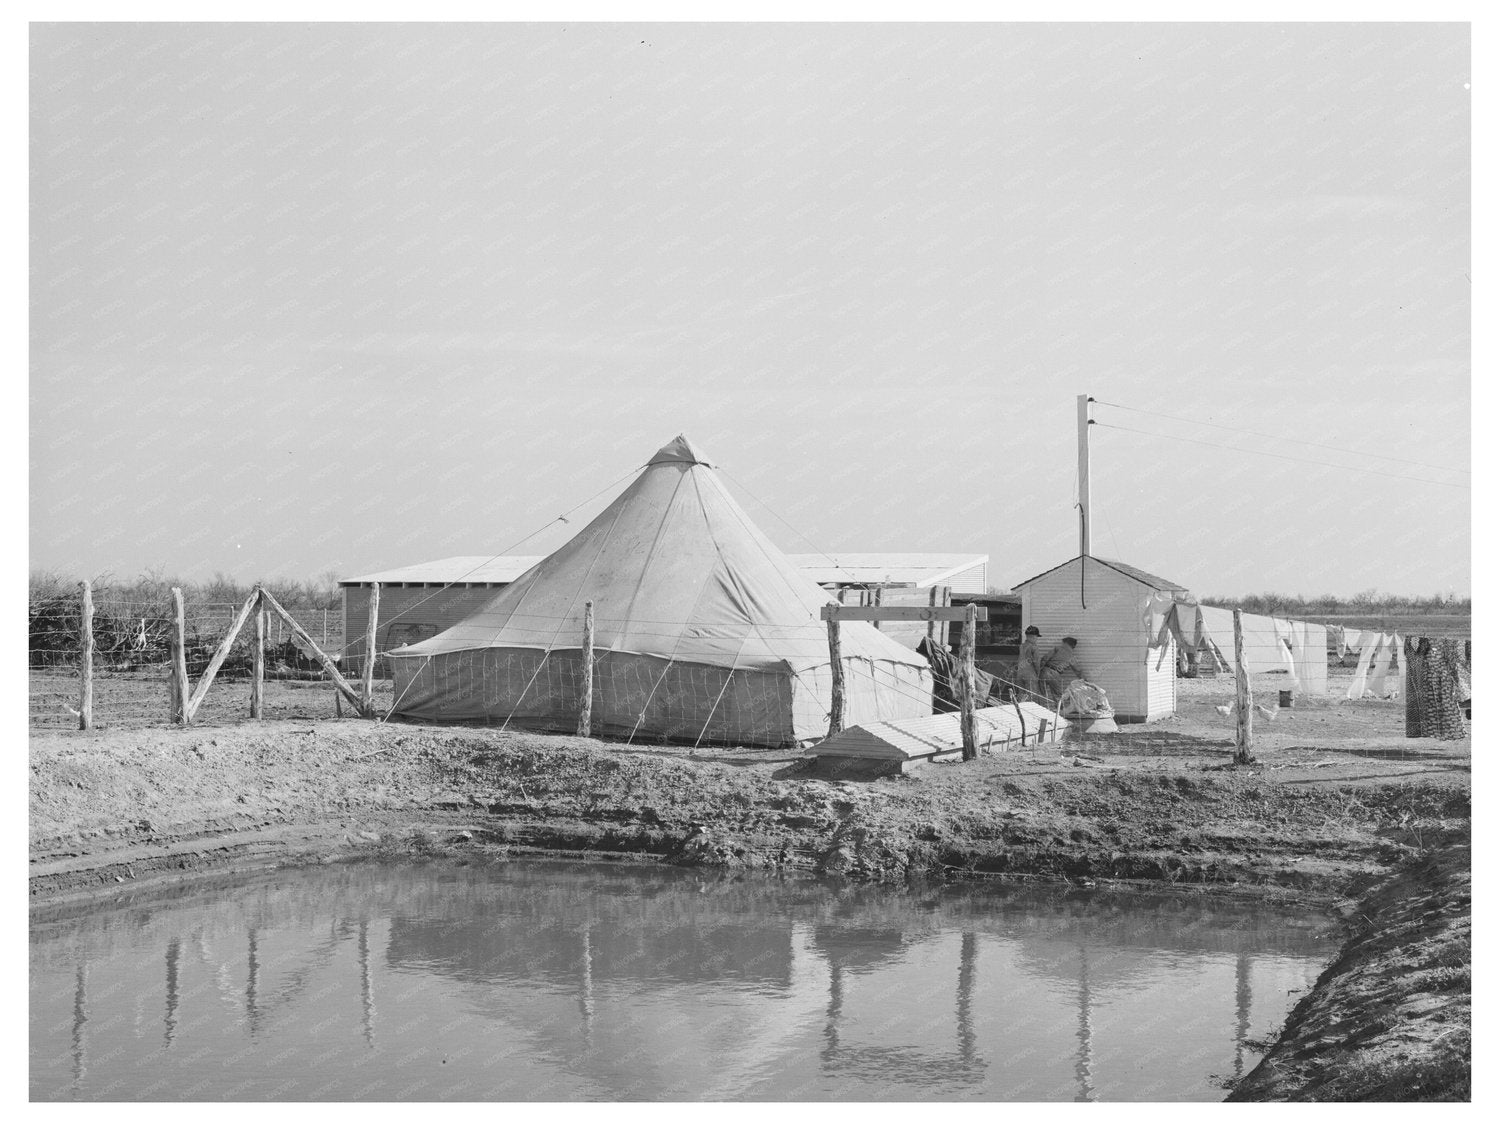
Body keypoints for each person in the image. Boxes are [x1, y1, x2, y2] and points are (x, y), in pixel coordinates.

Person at [1042, 636, 1084, 702]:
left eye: (1063, 643)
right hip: (1055, 674)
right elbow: (1078, 671)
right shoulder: (1072, 657)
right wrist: (1085, 681)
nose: (1062, 644)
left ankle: (1039, 710)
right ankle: (1059, 710)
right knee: (1057, 695)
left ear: (1066, 643)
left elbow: (1044, 658)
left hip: (1045, 670)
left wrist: (1038, 671)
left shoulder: (1056, 649)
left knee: (1040, 693)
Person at [1015, 625, 1044, 700]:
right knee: (1032, 697)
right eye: (1036, 637)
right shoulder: (1034, 647)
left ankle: (1020, 711)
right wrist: (1038, 674)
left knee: (1021, 696)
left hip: (1020, 673)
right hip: (1030, 675)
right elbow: (1037, 663)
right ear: (1033, 636)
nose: (1037, 639)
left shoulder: (1021, 646)